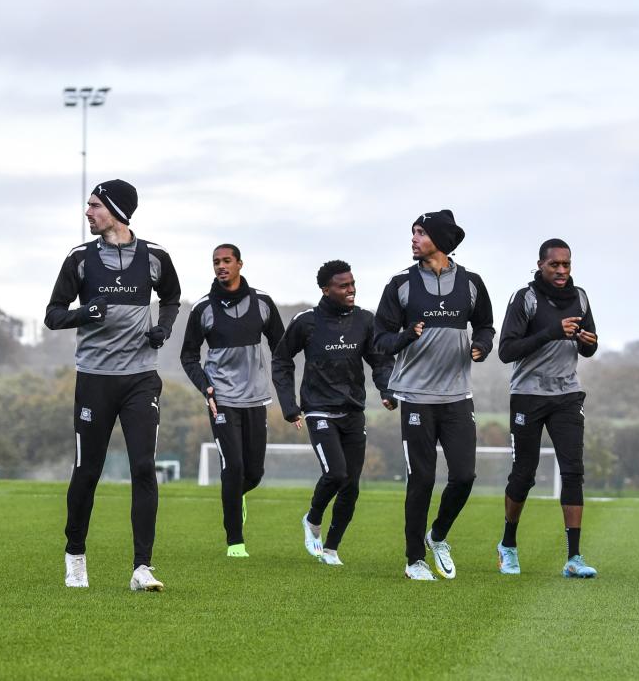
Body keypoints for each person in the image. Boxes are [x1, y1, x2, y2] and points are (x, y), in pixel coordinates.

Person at [44, 179, 181, 591]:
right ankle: (75, 558)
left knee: (143, 468)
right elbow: (53, 315)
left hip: (140, 378)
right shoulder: (80, 259)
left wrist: (164, 329)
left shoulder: (155, 257)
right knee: (88, 471)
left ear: (117, 211)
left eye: (95, 206)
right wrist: (86, 312)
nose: (87, 212)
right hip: (95, 380)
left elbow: (172, 297)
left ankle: (142, 568)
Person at [374, 210, 494, 580]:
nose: (413, 239)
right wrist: (406, 335)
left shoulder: (472, 283)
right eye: (413, 232)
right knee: (422, 479)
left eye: (421, 233)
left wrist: (482, 346)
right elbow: (380, 340)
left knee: (464, 476)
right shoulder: (400, 285)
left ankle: (437, 535)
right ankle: (414, 560)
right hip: (416, 397)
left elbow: (486, 325)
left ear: (440, 240)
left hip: (458, 396)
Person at [272, 260, 396, 566]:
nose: (351, 290)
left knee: (351, 487)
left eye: (353, 284)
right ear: (326, 290)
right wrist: (290, 406)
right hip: (318, 411)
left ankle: (331, 548)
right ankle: (312, 519)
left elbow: (379, 361)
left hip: (353, 411)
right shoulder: (306, 322)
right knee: (336, 473)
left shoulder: (366, 321)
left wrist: (386, 390)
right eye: (343, 286)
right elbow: (281, 360)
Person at [496, 239, 599, 578]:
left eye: (567, 264)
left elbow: (587, 348)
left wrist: (589, 343)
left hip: (567, 394)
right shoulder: (524, 298)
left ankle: (574, 558)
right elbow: (507, 351)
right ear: (540, 264)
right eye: (555, 264)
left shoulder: (580, 297)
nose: (561, 271)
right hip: (528, 394)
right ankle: (508, 545)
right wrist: (552, 332)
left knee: (573, 472)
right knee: (524, 474)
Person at [180, 244, 285, 557]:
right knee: (234, 466)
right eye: (216, 262)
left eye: (227, 261)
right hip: (221, 399)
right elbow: (188, 355)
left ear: (240, 263)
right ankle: (235, 542)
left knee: (253, 473)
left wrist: (289, 392)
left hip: (256, 398)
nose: (221, 266)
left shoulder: (263, 303)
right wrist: (205, 387)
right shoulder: (203, 309)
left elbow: (282, 348)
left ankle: (233, 494)